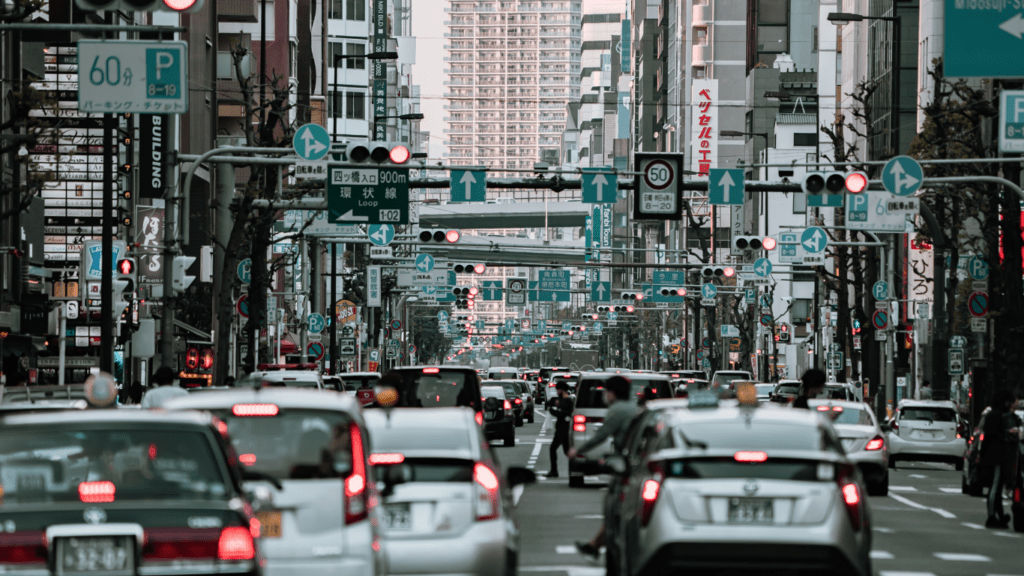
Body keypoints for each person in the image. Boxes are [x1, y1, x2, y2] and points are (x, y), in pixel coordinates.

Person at [568, 376, 637, 560]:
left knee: (618, 509)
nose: (605, 396)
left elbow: (601, 435)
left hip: (630, 466)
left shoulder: (618, 410)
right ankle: (594, 545)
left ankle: (599, 546)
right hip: (631, 462)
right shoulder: (632, 407)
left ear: (612, 393)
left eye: (606, 392)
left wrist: (577, 451)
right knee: (618, 509)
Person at [981, 390, 1021, 528]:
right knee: (995, 488)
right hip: (996, 457)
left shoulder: (993, 415)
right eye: (1008, 402)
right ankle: (992, 517)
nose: (1009, 404)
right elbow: (994, 437)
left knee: (996, 489)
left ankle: (999, 516)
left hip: (993, 456)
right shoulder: (996, 416)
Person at [543, 380, 574, 478]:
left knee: (553, 448)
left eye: (557, 390)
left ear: (561, 390)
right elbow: (554, 403)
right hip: (563, 429)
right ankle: (573, 469)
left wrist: (551, 410)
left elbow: (561, 413)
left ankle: (554, 471)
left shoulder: (567, 400)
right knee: (566, 451)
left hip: (563, 429)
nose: (556, 392)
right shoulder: (565, 399)